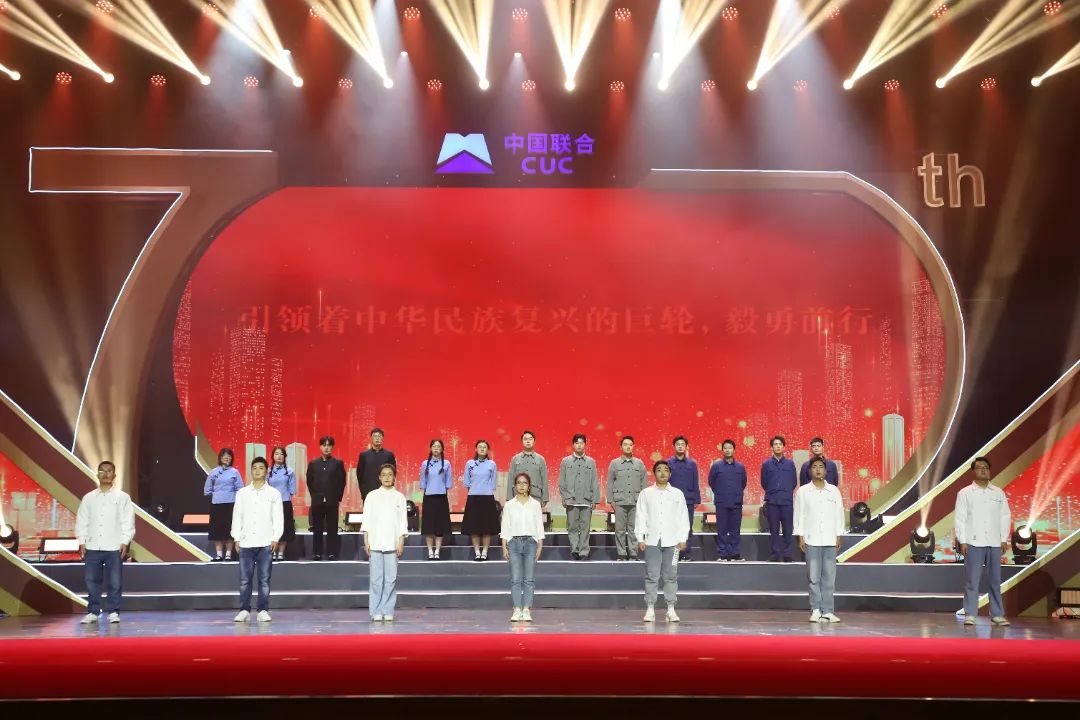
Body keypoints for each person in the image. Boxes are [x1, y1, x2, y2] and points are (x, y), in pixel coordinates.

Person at [955, 456, 1012, 627]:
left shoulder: (998, 492)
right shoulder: (965, 493)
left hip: (994, 542)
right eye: (979, 467)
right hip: (973, 542)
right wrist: (962, 540)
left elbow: (1005, 516)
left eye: (986, 467)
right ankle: (970, 614)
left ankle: (997, 614)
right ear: (974, 471)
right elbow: (960, 518)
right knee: (972, 581)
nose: (983, 470)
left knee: (995, 580)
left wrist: (1003, 538)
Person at [76, 460, 135, 624]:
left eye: (109, 471)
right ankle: (93, 612)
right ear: (97, 474)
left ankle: (113, 611)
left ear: (114, 475)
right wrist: (81, 540)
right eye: (102, 471)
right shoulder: (88, 498)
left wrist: (125, 541)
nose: (106, 474)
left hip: (114, 546)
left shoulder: (122, 497)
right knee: (91, 581)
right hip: (93, 545)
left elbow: (128, 521)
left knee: (114, 582)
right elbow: (82, 520)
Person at [231, 457, 284, 623]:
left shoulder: (274, 493)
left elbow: (278, 518)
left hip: (265, 542)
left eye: (261, 468)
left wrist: (275, 538)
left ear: (266, 471)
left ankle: (263, 610)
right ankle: (244, 610)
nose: (257, 471)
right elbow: (237, 516)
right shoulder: (242, 493)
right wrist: (236, 537)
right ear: (251, 470)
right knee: (244, 580)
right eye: (254, 468)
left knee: (264, 580)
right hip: (246, 542)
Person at [636, 461, 689, 622]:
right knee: (652, 575)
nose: (663, 473)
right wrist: (640, 537)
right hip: (652, 541)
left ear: (670, 474)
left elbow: (683, 516)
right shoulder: (646, 493)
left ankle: (670, 609)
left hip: (673, 542)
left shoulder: (677, 494)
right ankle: (650, 608)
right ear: (654, 473)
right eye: (659, 470)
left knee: (671, 576)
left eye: (666, 470)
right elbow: (641, 515)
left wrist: (682, 538)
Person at [794, 457, 845, 623]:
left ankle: (828, 610)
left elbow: (839, 514)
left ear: (826, 471)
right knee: (814, 577)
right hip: (811, 539)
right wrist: (800, 535)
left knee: (829, 577)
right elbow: (799, 514)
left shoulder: (834, 491)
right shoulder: (803, 491)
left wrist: (839, 534)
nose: (818, 469)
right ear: (810, 471)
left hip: (830, 538)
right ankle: (815, 609)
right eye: (814, 467)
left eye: (821, 467)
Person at [362, 464, 408, 622]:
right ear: (379, 477)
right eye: (384, 474)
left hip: (392, 544)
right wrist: (366, 540)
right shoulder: (372, 496)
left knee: (390, 580)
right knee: (376, 580)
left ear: (394, 477)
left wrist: (401, 541)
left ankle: (387, 610)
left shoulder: (400, 497)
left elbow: (402, 522)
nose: (387, 477)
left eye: (390, 474)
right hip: (375, 542)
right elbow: (366, 520)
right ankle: (375, 611)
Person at [501, 473, 545, 622]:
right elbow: (505, 525)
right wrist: (504, 546)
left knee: (529, 579)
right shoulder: (509, 505)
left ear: (529, 486)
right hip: (514, 543)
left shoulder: (535, 504)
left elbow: (539, 525)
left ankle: (526, 609)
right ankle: (516, 609)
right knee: (515, 579)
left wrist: (540, 545)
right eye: (519, 483)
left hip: (531, 543)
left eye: (524, 483)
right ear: (515, 486)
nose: (521, 485)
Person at [558, 433, 600, 560]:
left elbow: (595, 481)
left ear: (585, 445)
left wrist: (595, 499)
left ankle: (584, 551)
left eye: (581, 443)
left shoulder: (591, 462)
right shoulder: (566, 461)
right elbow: (562, 481)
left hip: (586, 500)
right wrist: (564, 497)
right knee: (572, 526)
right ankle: (574, 549)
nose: (579, 445)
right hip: (571, 499)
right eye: (577, 443)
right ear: (573, 445)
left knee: (585, 527)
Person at [607, 436, 648, 560]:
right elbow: (610, 482)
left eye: (630, 444)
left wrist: (643, 501)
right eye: (625, 444)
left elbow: (644, 483)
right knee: (619, 529)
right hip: (619, 501)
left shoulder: (639, 463)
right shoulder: (615, 463)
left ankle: (633, 553)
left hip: (636, 501)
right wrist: (611, 500)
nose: (628, 447)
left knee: (634, 529)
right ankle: (621, 553)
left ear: (633, 446)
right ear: (621, 447)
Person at [306, 435, 346, 560]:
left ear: (332, 447)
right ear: (320, 447)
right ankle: (317, 553)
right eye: (324, 445)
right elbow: (309, 481)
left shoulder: (338, 463)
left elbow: (342, 481)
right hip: (317, 501)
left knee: (332, 528)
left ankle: (331, 553)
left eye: (329, 445)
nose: (326, 448)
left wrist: (337, 497)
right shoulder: (313, 464)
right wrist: (315, 495)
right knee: (317, 528)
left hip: (332, 501)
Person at [708, 439, 747, 561]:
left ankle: (735, 553)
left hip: (736, 502)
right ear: (722, 450)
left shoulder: (740, 467)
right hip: (722, 502)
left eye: (730, 448)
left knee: (735, 530)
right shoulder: (716, 466)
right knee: (722, 529)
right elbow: (711, 482)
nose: (727, 450)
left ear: (734, 450)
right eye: (725, 448)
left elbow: (743, 483)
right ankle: (723, 554)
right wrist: (720, 493)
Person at [761, 436, 797, 562]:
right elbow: (764, 482)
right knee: (774, 530)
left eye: (780, 444)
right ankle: (775, 555)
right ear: (772, 447)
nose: (778, 446)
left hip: (786, 502)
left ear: (784, 447)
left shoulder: (790, 464)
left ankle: (787, 555)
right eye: (775, 444)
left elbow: (793, 482)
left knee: (788, 530)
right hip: (772, 502)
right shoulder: (766, 464)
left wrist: (785, 492)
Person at [203, 448, 244, 561]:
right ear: (220, 458)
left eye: (229, 456)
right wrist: (216, 495)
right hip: (216, 504)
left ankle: (228, 554)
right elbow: (207, 488)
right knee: (217, 530)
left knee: (229, 530)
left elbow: (240, 488)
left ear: (232, 458)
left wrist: (233, 497)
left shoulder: (235, 472)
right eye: (224, 455)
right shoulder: (214, 472)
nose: (227, 457)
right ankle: (219, 555)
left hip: (230, 505)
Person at [462, 440, 499, 561]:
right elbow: (467, 482)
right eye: (480, 447)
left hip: (487, 498)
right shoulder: (470, 463)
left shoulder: (492, 464)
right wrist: (475, 490)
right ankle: (477, 552)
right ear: (476, 449)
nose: (482, 449)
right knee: (474, 527)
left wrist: (484, 490)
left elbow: (493, 483)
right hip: (473, 498)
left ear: (487, 450)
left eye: (484, 447)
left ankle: (485, 552)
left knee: (487, 528)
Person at [667, 435, 700, 562]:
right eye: (678, 444)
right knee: (673, 528)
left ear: (686, 447)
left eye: (682, 444)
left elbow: (695, 482)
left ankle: (686, 554)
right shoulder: (668, 463)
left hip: (688, 501)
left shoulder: (692, 464)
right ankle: (675, 555)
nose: (680, 446)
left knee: (687, 528)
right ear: (674, 447)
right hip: (672, 502)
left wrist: (696, 499)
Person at [419, 439, 453, 560]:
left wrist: (444, 491)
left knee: (440, 526)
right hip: (429, 497)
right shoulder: (425, 463)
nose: (436, 448)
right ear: (431, 448)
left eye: (438, 446)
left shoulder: (447, 463)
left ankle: (437, 551)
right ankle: (430, 551)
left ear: (442, 449)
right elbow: (423, 481)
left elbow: (448, 481)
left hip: (441, 497)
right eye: (434, 446)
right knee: (429, 527)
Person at [267, 446, 297, 561]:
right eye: (276, 453)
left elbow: (292, 489)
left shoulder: (289, 471)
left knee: (284, 527)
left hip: (285, 502)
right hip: (271, 503)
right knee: (272, 527)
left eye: (281, 454)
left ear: (284, 456)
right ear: (272, 456)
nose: (279, 456)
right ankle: (273, 551)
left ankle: (281, 553)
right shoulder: (268, 471)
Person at [506, 431, 549, 508]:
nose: (528, 441)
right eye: (525, 439)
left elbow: (544, 479)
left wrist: (545, 498)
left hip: (535, 496)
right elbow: (510, 479)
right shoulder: (515, 459)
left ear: (534, 441)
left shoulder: (541, 459)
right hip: (518, 497)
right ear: (522, 442)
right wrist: (509, 498)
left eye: (530, 439)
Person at [357, 427, 397, 501]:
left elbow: (393, 473)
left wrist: (390, 488)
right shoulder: (364, 455)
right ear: (371, 439)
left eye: (379, 436)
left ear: (382, 438)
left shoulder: (389, 455)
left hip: (386, 492)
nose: (377, 438)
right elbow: (360, 475)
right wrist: (363, 492)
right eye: (375, 436)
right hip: (368, 493)